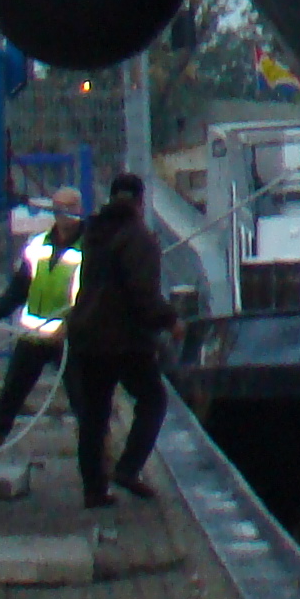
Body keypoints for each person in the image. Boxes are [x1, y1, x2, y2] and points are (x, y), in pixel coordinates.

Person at [64, 172, 178, 508]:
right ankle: (128, 469)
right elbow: (143, 293)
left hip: (87, 335)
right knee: (153, 400)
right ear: (140, 202)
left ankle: (94, 490)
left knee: (94, 414)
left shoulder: (93, 233)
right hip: (126, 339)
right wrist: (170, 320)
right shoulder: (139, 238)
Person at [0, 188, 86, 454]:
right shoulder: (37, 245)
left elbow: (95, 294)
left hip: (71, 339)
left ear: (79, 208)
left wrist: (71, 324)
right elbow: (20, 287)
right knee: (10, 396)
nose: (64, 213)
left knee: (85, 402)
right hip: (34, 336)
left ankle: (99, 457)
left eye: (70, 206)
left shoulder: (92, 248)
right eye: (59, 207)